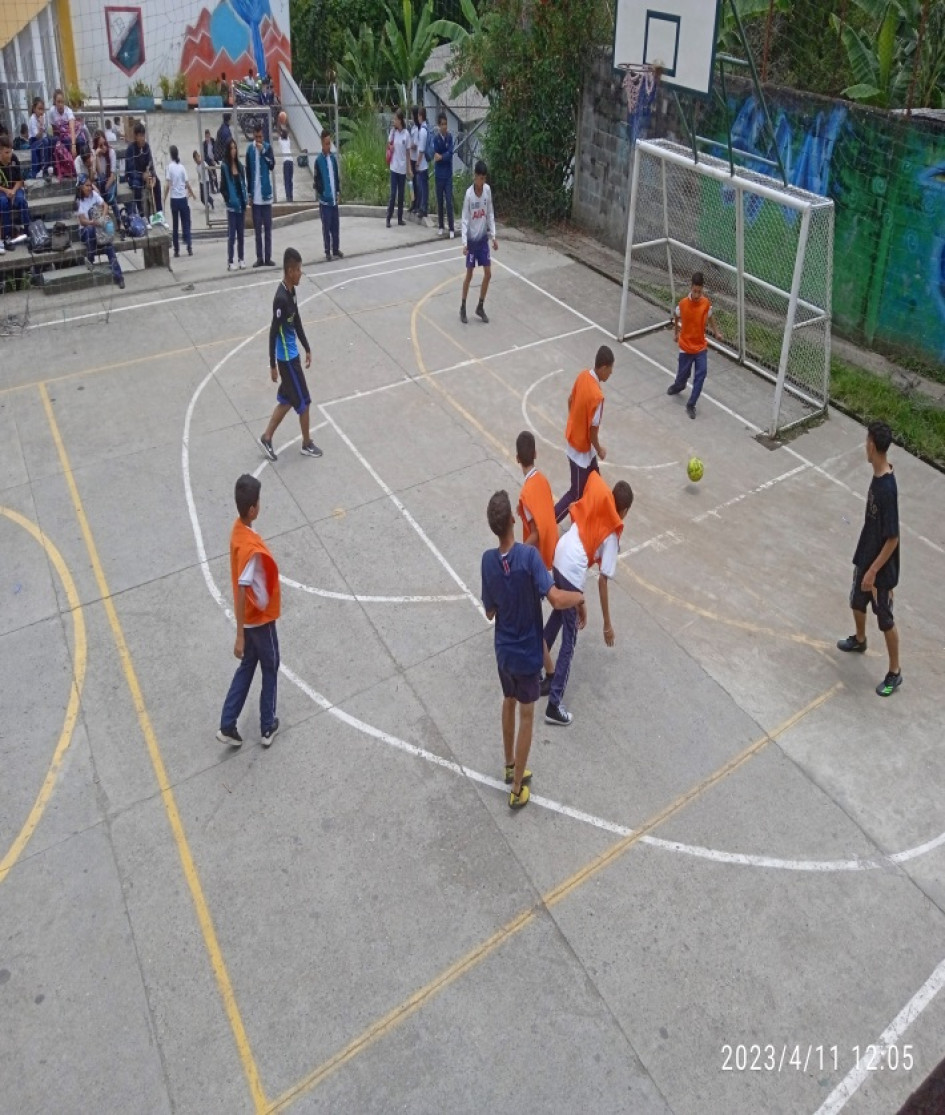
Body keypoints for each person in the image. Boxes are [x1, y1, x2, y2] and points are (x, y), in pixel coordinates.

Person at [481, 490, 584, 808]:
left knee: (508, 701)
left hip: (503, 652)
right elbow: (556, 599)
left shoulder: (488, 561)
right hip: (526, 655)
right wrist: (580, 597)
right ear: (513, 520)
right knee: (527, 714)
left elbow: (490, 612)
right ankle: (516, 790)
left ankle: (509, 764)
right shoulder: (529, 558)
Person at [543, 473, 633, 725]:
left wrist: (579, 601)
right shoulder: (612, 533)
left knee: (558, 616)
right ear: (625, 511)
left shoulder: (597, 503)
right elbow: (603, 581)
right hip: (572, 570)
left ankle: (538, 670)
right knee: (570, 640)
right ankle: (554, 704)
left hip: (559, 555)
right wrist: (607, 624)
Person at [837, 420, 902, 697]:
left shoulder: (887, 489)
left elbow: (893, 538)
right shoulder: (879, 475)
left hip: (881, 567)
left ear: (872, 446)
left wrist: (873, 572)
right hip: (866, 552)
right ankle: (860, 639)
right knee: (856, 600)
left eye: (866, 442)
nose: (865, 446)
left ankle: (895, 672)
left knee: (884, 618)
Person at [216, 474, 281, 748]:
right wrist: (240, 634)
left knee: (248, 666)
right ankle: (267, 726)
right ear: (253, 509)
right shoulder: (250, 549)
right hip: (259, 620)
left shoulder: (238, 531)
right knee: (271, 665)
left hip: (251, 621)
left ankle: (227, 724)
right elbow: (244, 588)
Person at [258, 247, 322, 460]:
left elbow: (297, 321)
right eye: (298, 269)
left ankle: (267, 437)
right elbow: (273, 332)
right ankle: (306, 443)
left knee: (286, 400)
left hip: (292, 356)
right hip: (287, 361)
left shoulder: (291, 291)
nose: (301, 273)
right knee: (304, 402)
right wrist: (273, 365)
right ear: (290, 270)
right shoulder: (281, 299)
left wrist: (307, 347)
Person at [516, 429, 560, 693]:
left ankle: (550, 672)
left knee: (532, 622)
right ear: (535, 454)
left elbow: (535, 533)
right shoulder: (542, 480)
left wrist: (518, 551)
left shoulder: (525, 495)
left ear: (517, 458)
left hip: (537, 563)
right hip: (552, 556)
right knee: (533, 619)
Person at [554, 346, 615, 523]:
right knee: (576, 492)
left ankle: (596, 519)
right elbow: (592, 431)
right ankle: (549, 522)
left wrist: (575, 421)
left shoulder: (582, 376)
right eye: (610, 369)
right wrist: (600, 449)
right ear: (603, 367)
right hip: (581, 451)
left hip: (577, 443)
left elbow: (570, 400)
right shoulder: (597, 397)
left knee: (595, 483)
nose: (611, 374)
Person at [667, 270, 723, 420]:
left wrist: (716, 332)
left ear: (702, 289)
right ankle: (679, 385)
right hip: (685, 346)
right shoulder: (683, 304)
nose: (697, 294)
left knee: (701, 374)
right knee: (683, 374)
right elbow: (676, 316)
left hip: (700, 347)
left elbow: (711, 317)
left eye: (699, 291)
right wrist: (676, 333)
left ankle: (691, 404)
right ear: (691, 287)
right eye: (695, 291)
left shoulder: (705, 304)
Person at [460, 160, 497, 324]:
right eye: (479, 178)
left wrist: (493, 236)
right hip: (471, 241)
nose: (482, 181)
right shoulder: (469, 195)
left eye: (484, 178)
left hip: (482, 240)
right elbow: (464, 219)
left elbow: (490, 214)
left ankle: (480, 306)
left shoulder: (487, 191)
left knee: (488, 274)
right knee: (469, 274)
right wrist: (464, 243)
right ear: (475, 177)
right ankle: (463, 306)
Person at [75, 176, 125, 289]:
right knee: (90, 229)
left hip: (99, 230)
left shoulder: (94, 195)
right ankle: (91, 258)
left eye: (90, 185)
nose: (89, 188)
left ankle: (119, 277)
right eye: (87, 186)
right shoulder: (78, 202)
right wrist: (93, 222)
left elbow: (105, 205)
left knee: (110, 248)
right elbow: (82, 221)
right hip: (85, 232)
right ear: (81, 187)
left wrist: (102, 217)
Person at [245, 122, 275, 267]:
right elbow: (248, 172)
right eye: (256, 137)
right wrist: (249, 194)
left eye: (260, 137)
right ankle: (259, 257)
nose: (258, 140)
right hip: (255, 197)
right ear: (253, 135)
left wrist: (263, 151)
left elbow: (272, 165)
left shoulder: (267, 147)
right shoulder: (249, 150)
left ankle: (268, 257)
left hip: (266, 195)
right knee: (257, 229)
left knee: (268, 228)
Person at [314, 130, 342, 262]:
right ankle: (327, 251)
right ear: (322, 143)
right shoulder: (318, 161)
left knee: (335, 226)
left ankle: (336, 249)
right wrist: (322, 192)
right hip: (325, 201)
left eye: (329, 143)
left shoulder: (333, 159)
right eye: (326, 143)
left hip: (333, 200)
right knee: (326, 227)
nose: (328, 146)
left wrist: (338, 192)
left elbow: (336, 177)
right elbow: (317, 179)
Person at [163, 145, 196, 258]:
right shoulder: (182, 167)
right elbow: (187, 183)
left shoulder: (169, 167)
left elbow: (168, 185)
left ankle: (176, 250)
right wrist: (192, 193)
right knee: (186, 223)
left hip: (174, 199)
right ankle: (189, 247)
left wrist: (164, 197)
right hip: (182, 198)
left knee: (175, 225)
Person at [220, 137, 247, 270]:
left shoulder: (240, 166)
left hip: (241, 204)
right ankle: (230, 261)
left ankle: (241, 259)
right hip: (232, 206)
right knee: (232, 235)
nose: (233, 151)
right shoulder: (225, 167)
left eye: (235, 148)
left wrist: (244, 198)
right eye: (231, 148)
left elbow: (243, 183)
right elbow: (222, 187)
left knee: (241, 234)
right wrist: (228, 199)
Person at [125, 122, 162, 217]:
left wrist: (152, 175)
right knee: (136, 185)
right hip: (134, 177)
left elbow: (151, 163)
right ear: (135, 136)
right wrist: (142, 176)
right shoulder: (130, 149)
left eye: (143, 135)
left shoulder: (146, 147)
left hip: (146, 175)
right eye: (140, 136)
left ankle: (159, 212)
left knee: (157, 182)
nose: (142, 138)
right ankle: (142, 214)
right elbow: (130, 171)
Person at [0, 136, 30, 252]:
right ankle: (7, 237)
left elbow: (20, 180)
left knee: (21, 200)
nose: (9, 155)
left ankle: (28, 232)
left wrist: (13, 190)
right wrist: (6, 191)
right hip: (2, 191)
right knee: (3, 202)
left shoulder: (14, 159)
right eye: (6, 152)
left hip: (15, 188)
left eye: (10, 151)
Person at [385, 109, 411, 227]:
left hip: (402, 168)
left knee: (401, 194)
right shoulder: (393, 132)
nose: (394, 121)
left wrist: (409, 168)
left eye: (395, 119)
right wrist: (390, 147)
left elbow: (408, 152)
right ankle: (388, 218)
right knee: (393, 194)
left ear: (400, 120)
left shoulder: (406, 134)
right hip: (394, 167)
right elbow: (388, 144)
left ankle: (400, 218)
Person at [433, 112, 455, 237]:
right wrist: (441, 156)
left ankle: (451, 228)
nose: (444, 126)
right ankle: (441, 226)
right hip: (439, 175)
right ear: (438, 125)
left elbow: (450, 153)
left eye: (446, 124)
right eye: (442, 124)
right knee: (440, 201)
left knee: (449, 202)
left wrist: (442, 156)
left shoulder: (450, 137)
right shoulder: (436, 139)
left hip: (448, 175)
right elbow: (435, 154)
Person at [91, 130, 118, 206]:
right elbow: (96, 175)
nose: (104, 147)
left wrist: (104, 190)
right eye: (101, 145)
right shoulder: (93, 153)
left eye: (105, 143)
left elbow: (112, 176)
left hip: (109, 182)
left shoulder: (111, 152)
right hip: (99, 183)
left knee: (109, 197)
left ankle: (116, 213)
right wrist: (96, 156)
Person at [414, 106, 429, 222]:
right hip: (423, 163)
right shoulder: (424, 128)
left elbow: (421, 149)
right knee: (422, 186)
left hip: (423, 164)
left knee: (423, 187)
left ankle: (423, 208)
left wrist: (417, 163)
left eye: (418, 116)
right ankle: (422, 207)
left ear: (420, 116)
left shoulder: (423, 131)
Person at [407, 106, 420, 216]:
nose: (411, 116)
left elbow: (415, 145)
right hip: (411, 158)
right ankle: (413, 202)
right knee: (411, 183)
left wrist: (408, 146)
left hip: (416, 159)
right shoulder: (413, 127)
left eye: (412, 114)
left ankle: (417, 204)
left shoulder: (418, 129)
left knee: (416, 183)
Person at [278, 126, 293, 201]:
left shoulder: (280, 141)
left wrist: (280, 130)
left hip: (286, 161)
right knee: (290, 179)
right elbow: (286, 133)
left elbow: (279, 135)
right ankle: (291, 196)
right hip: (291, 161)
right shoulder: (288, 141)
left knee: (286, 180)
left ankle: (288, 196)